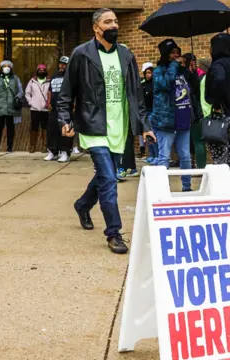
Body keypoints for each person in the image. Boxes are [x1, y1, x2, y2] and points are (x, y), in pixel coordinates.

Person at [57, 8, 154, 254]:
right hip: (93, 125)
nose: (113, 26)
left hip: (119, 128)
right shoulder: (82, 54)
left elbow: (136, 95)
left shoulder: (126, 55)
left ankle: (82, 205)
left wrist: (144, 126)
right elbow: (66, 94)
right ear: (96, 28)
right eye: (107, 22)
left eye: (115, 22)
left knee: (104, 176)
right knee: (110, 179)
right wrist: (65, 119)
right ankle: (114, 233)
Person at [150, 38, 197, 192]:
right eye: (172, 53)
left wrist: (189, 69)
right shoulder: (159, 71)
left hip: (183, 118)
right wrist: (175, 66)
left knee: (185, 156)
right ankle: (162, 189)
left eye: (178, 53)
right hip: (166, 121)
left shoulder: (180, 70)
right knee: (164, 156)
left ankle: (187, 187)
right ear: (165, 55)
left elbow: (194, 88)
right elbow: (165, 83)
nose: (176, 56)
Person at [204, 33, 230, 178]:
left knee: (219, 155)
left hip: (223, 114)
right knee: (227, 152)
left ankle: (220, 189)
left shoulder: (219, 65)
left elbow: (220, 80)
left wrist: (216, 103)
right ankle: (227, 183)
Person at [0, 60, 22, 153]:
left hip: (11, 106)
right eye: (4, 66)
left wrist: (17, 98)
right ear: (1, 67)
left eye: (8, 66)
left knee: (10, 128)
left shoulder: (15, 78)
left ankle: (10, 147)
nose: (6, 68)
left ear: (11, 68)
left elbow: (20, 91)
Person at [46, 56, 73, 162]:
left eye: (65, 64)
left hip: (65, 108)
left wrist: (74, 104)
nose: (62, 66)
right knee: (52, 130)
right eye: (61, 63)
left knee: (65, 130)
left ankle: (65, 152)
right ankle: (53, 151)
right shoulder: (54, 76)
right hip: (54, 108)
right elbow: (50, 90)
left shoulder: (70, 76)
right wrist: (48, 102)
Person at [25, 64, 51, 154]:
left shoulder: (49, 82)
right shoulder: (32, 81)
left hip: (45, 109)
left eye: (43, 70)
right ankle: (32, 146)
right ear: (37, 71)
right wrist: (31, 102)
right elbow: (27, 93)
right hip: (34, 109)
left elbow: (51, 93)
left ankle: (45, 146)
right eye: (40, 70)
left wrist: (48, 104)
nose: (42, 71)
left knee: (45, 128)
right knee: (34, 128)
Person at [141, 62, 157, 164]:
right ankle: (151, 155)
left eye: (150, 73)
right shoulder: (142, 85)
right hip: (145, 111)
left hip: (153, 111)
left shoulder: (155, 84)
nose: (148, 75)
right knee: (147, 136)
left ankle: (156, 156)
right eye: (146, 73)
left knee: (153, 135)